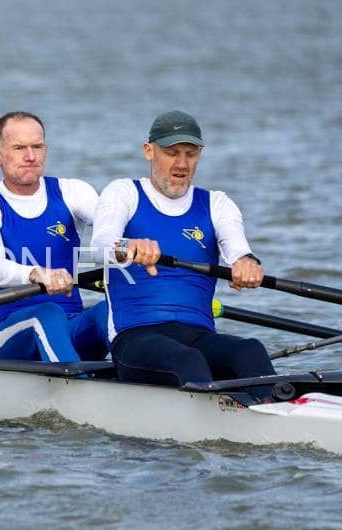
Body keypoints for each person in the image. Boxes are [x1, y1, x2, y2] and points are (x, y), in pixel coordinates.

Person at [91, 109, 276, 398]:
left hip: (198, 336)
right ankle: (218, 417)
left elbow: (238, 248)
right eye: (171, 152)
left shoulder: (217, 203)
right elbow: (100, 246)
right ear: (149, 151)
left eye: (191, 154)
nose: (181, 163)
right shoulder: (123, 192)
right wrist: (127, 247)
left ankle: (276, 412)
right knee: (188, 360)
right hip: (135, 337)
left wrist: (246, 262)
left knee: (250, 350)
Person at [0, 111, 109, 363]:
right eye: (19, 148)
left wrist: (132, 246)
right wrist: (36, 273)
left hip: (71, 324)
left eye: (37, 147)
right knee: (47, 313)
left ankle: (144, 377)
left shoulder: (73, 191)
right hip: (10, 332)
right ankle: (77, 383)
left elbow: (110, 230)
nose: (31, 156)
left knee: (111, 310)